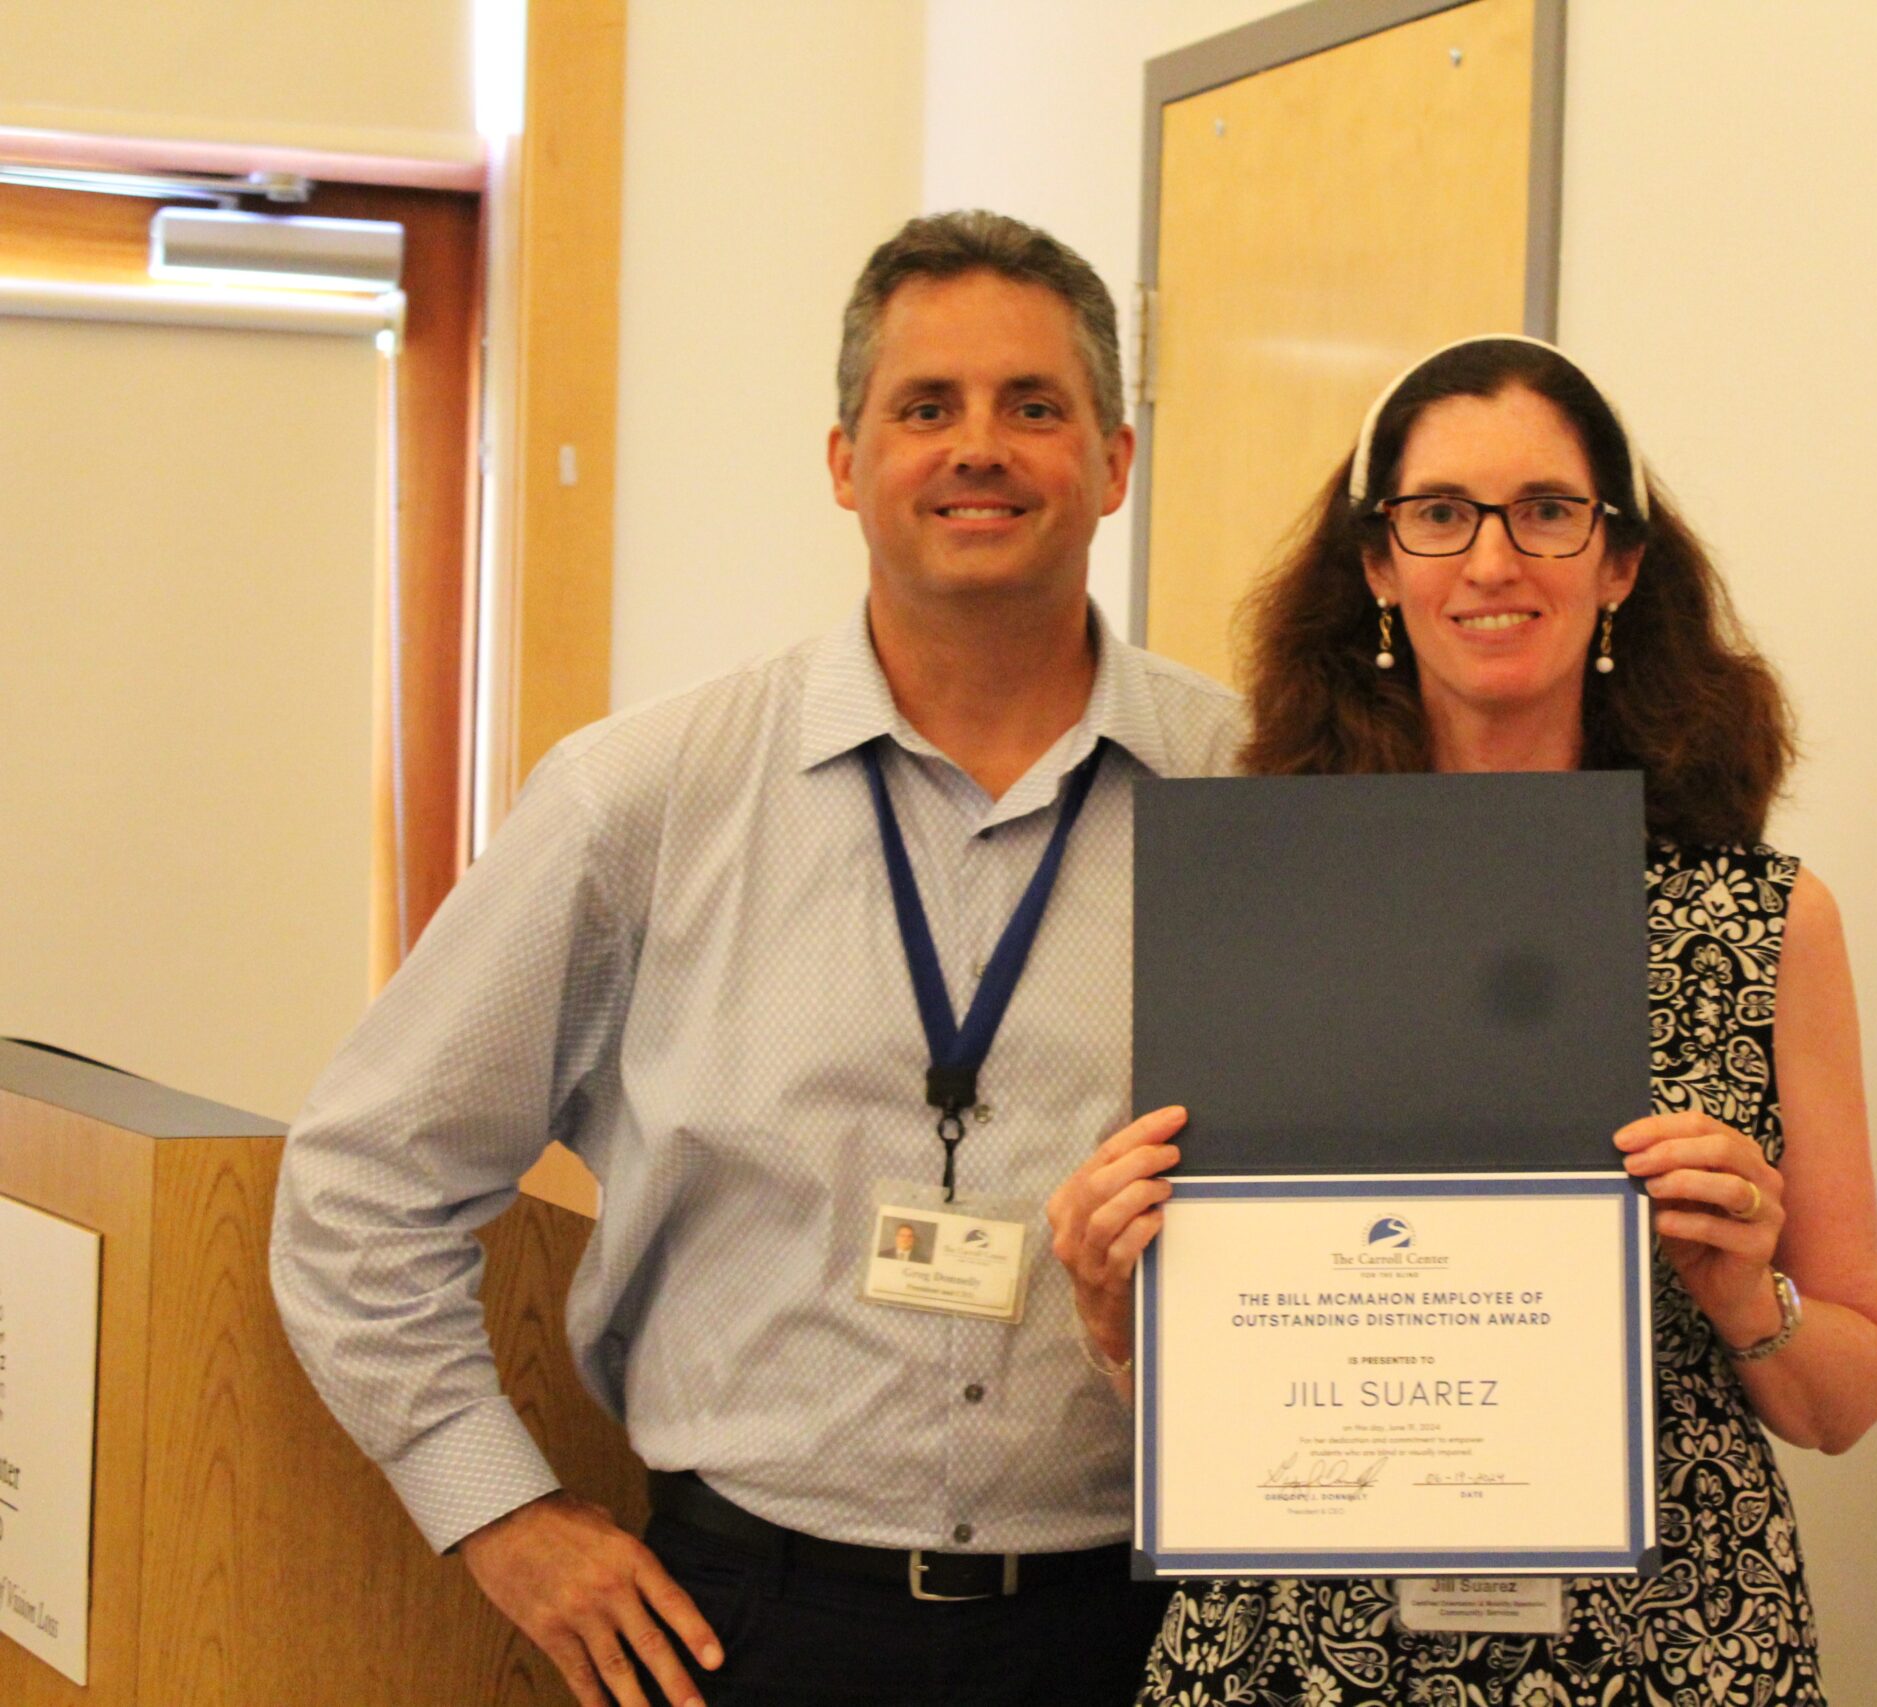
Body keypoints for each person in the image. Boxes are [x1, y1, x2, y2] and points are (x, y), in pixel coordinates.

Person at [271, 211, 1238, 1707]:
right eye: (927, 408)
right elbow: (362, 1186)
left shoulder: (1258, 794)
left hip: (1141, 1632)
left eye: (1032, 407)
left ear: (1113, 460)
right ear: (847, 462)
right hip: (751, 1628)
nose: (978, 447)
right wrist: (502, 1517)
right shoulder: (641, 799)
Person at [1048, 335, 1877, 1705]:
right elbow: (1214, 1399)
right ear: (1379, 564)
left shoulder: (1764, 924)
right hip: (1301, 1657)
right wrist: (1110, 1303)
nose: (1493, 562)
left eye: (1547, 513)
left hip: (1664, 1652)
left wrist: (1748, 1290)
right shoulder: (1256, 903)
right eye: (1440, 515)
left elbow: (1845, 1396)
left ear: (1619, 561)